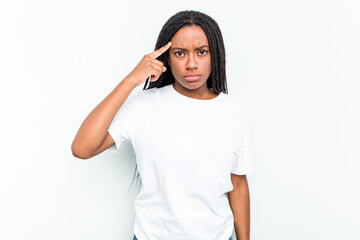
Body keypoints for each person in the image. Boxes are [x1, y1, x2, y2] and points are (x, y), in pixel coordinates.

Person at [72, 10, 253, 240]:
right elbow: (82, 148)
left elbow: (237, 185)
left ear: (214, 55)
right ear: (166, 58)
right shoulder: (143, 106)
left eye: (201, 52)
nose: (191, 64)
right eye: (180, 53)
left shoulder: (234, 111)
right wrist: (131, 80)